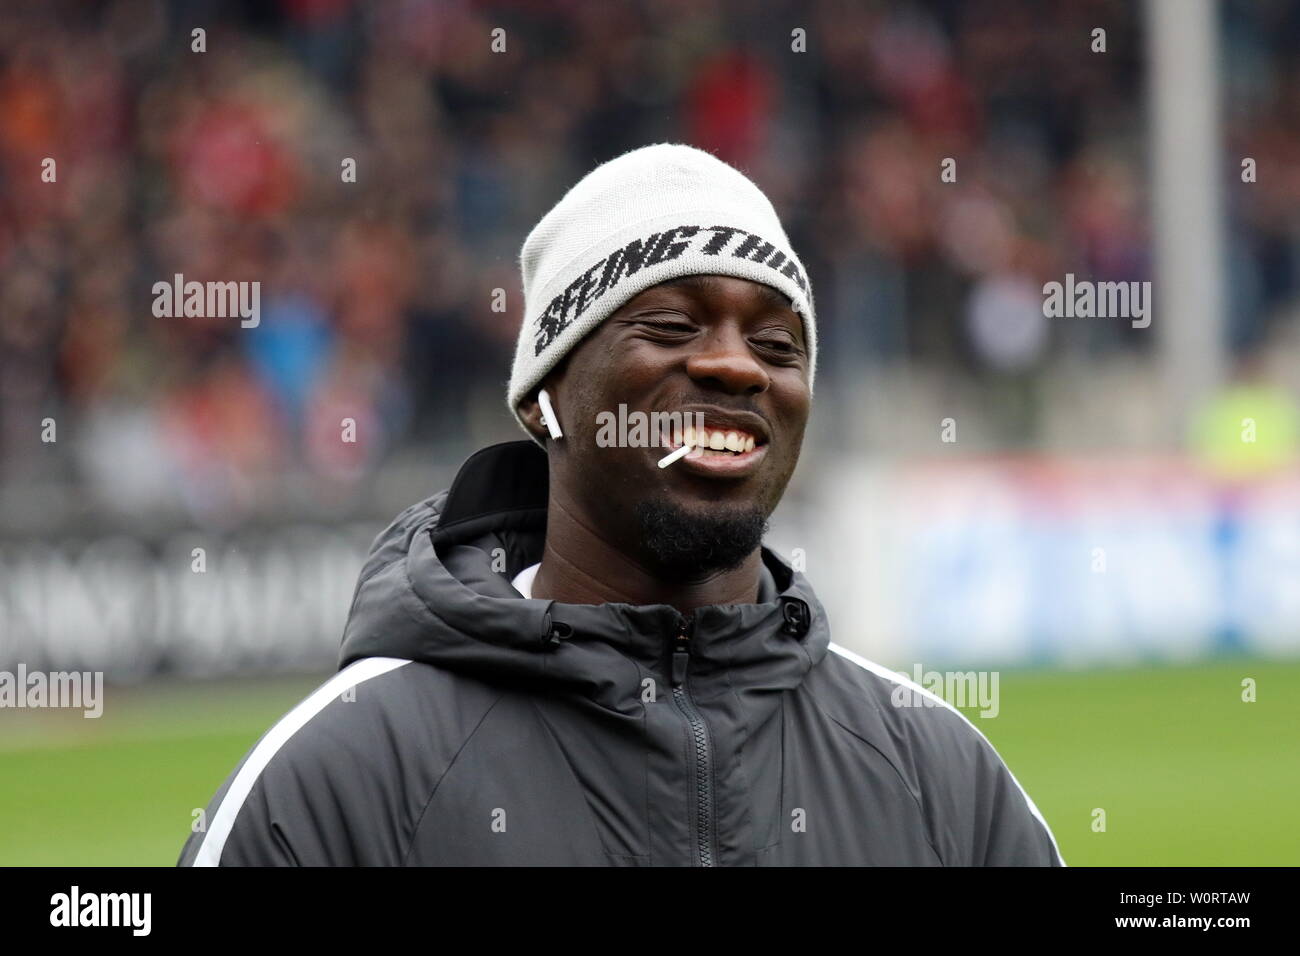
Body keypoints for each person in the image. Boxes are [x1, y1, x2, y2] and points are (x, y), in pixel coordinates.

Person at [178, 143, 1065, 866]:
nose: (737, 366)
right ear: (544, 395)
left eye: (776, 343)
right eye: (672, 326)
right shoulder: (340, 777)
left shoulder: (941, 778)